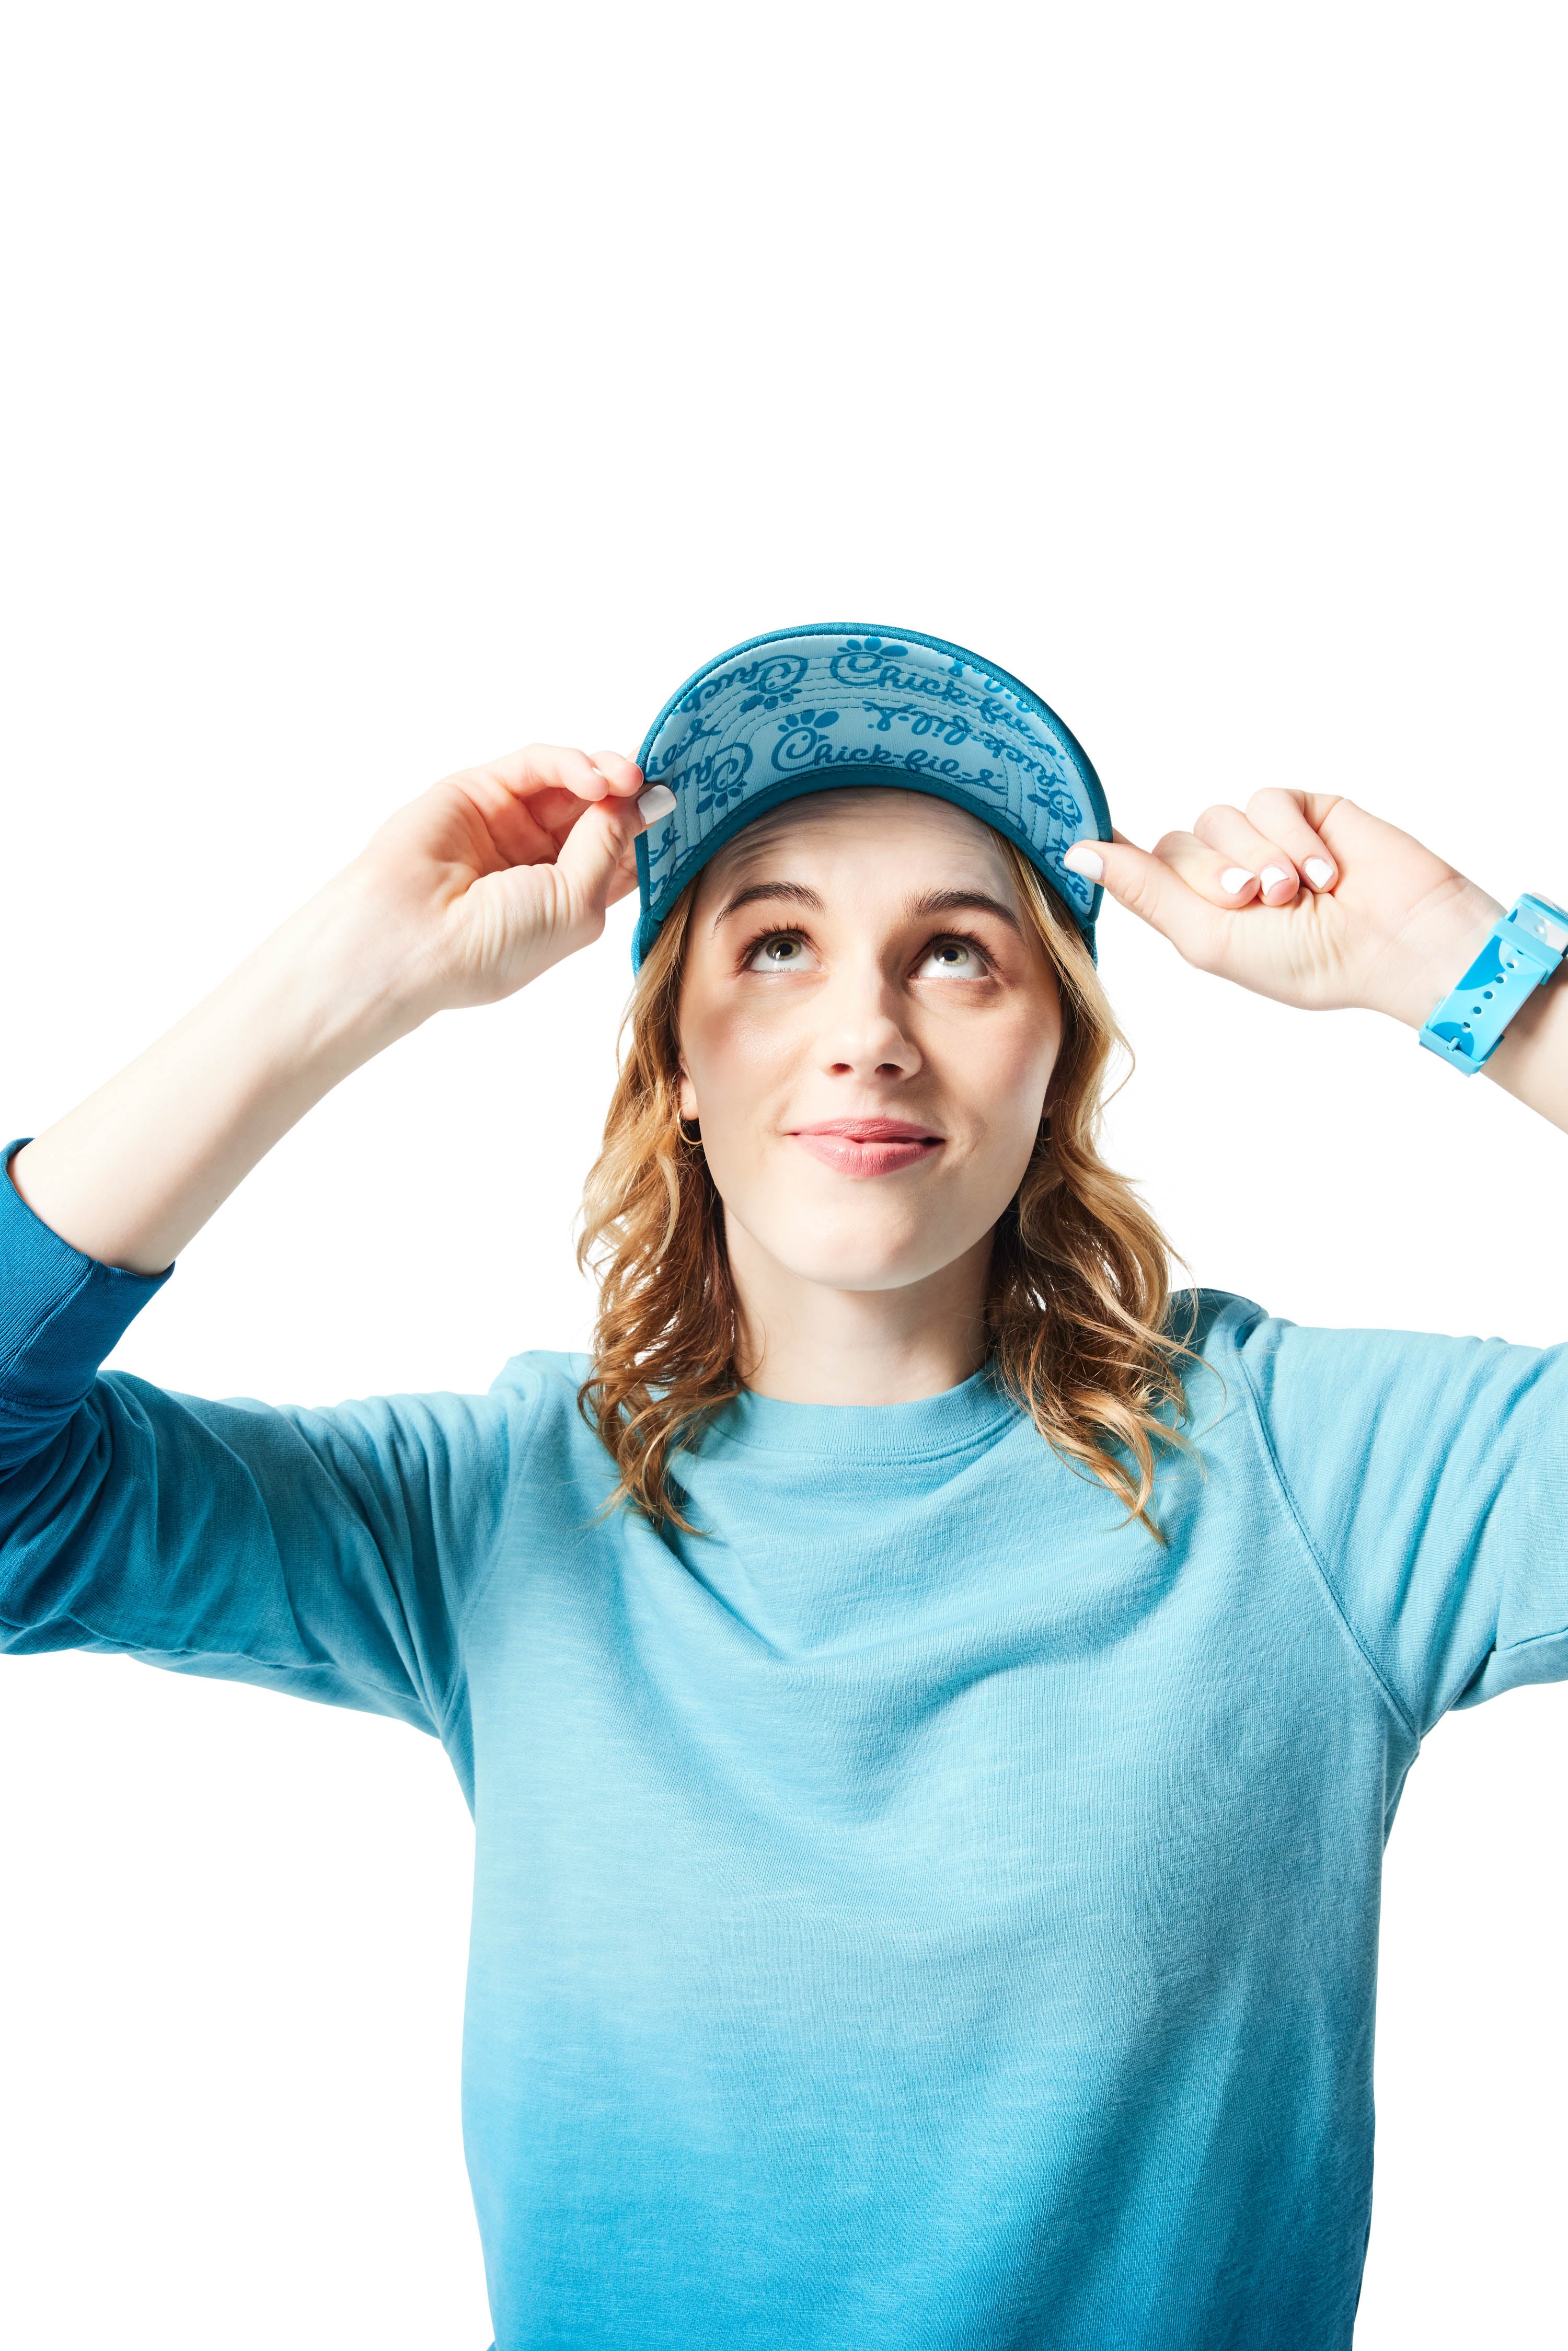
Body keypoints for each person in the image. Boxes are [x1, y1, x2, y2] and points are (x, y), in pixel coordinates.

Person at [3, 621, 1564, 2351]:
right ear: (674, 1059)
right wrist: (343, 978)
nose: (866, 1032)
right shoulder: (495, 1513)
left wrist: (1473, 973)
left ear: (1060, 1064)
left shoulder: (1322, 1480)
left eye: (960, 955)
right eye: (774, 947)